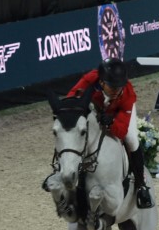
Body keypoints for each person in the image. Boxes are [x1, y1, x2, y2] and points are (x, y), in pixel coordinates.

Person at [63, 58, 153, 209]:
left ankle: (141, 186)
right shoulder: (90, 80)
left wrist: (111, 122)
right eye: (112, 87)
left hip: (117, 114)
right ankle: (61, 171)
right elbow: (71, 98)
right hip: (95, 108)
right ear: (102, 82)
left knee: (131, 139)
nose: (117, 91)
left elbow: (122, 130)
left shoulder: (127, 94)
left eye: (119, 87)